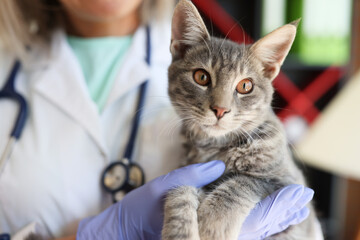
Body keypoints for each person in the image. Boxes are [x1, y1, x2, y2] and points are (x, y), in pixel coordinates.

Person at [0, 0, 314, 239]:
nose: (221, 107)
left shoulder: (246, 101)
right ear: (180, 47)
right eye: (203, 78)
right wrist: (100, 232)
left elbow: (301, 218)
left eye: (243, 87)